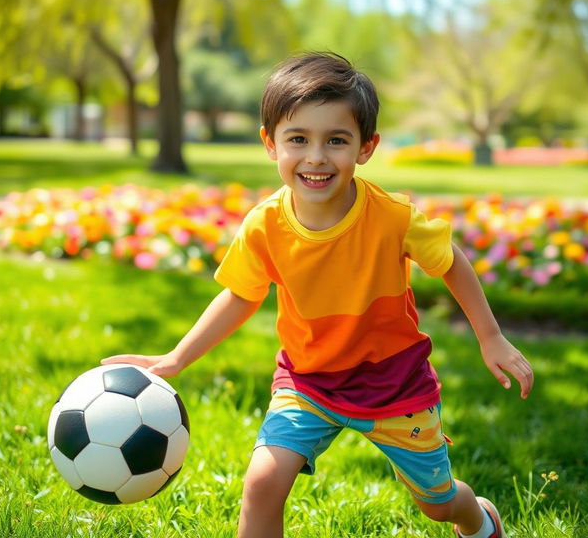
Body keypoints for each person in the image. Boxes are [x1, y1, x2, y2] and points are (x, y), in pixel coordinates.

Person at [102, 52, 534, 538]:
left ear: (366, 148)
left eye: (336, 140)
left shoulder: (391, 218)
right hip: (308, 382)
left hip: (396, 385)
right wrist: (178, 358)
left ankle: (478, 517)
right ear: (270, 144)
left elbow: (450, 261)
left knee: (437, 503)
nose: (316, 157)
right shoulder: (265, 226)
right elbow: (241, 295)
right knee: (262, 480)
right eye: (298, 139)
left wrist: (491, 336)